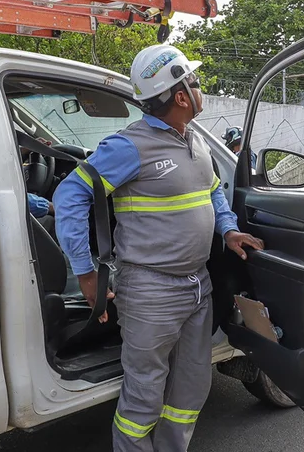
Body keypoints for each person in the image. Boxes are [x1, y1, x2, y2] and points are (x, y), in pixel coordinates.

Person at [53, 44, 264, 452]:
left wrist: (229, 230)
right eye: (195, 82)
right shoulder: (129, 147)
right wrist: (85, 273)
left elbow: (213, 193)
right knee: (145, 397)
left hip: (197, 286)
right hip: (151, 290)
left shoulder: (197, 142)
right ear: (182, 96)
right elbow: (69, 196)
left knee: (189, 391)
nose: (200, 89)